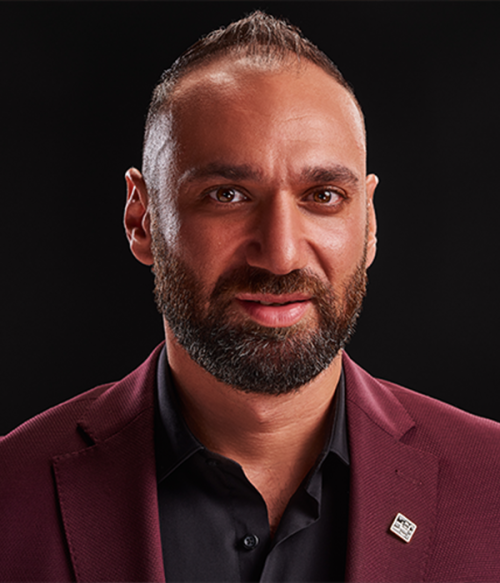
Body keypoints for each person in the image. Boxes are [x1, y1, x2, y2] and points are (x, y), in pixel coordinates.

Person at [1, 11, 500, 583]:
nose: (280, 254)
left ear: (369, 223)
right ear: (142, 219)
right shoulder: (11, 497)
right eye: (228, 195)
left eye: (323, 195)